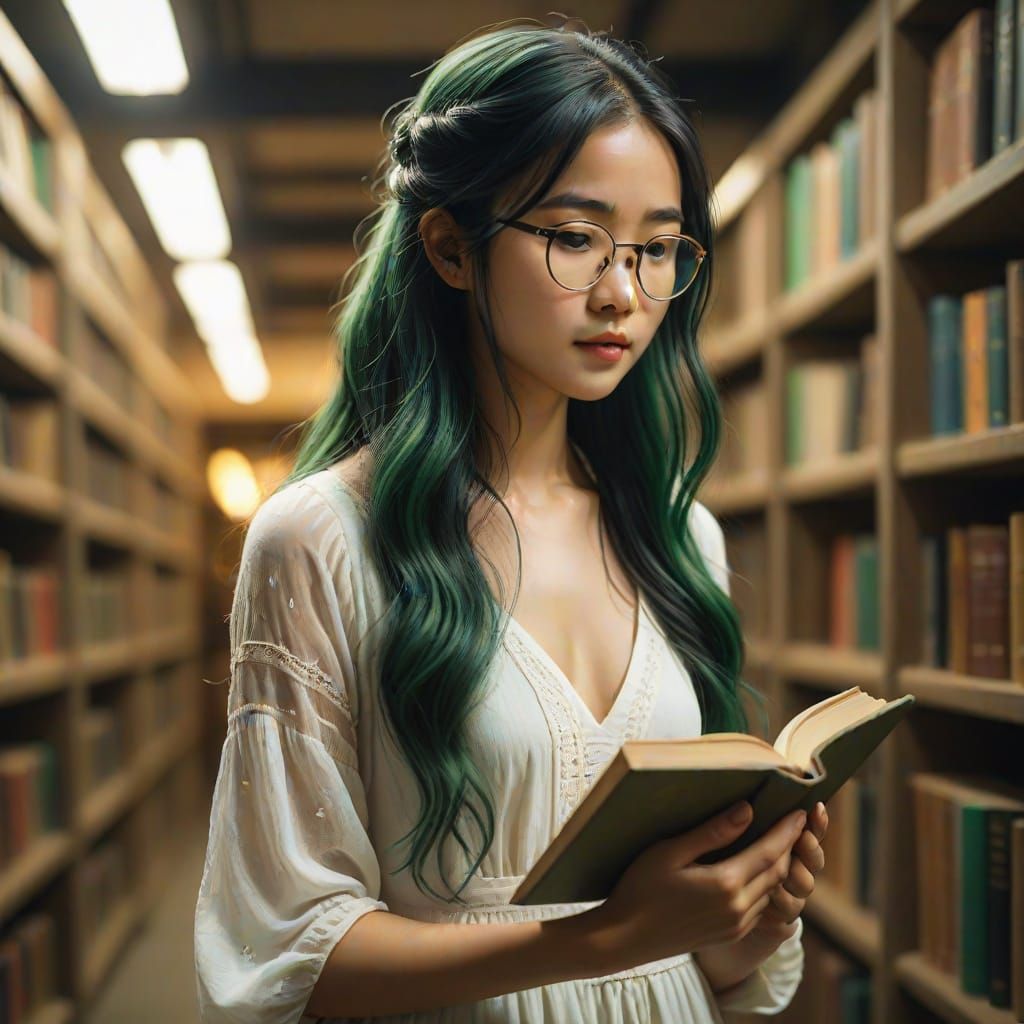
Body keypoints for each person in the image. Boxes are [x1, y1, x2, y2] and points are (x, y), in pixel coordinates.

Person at [194, 16, 830, 1023]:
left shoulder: (678, 534)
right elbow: (286, 958)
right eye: (575, 237)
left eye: (658, 249)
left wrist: (743, 915)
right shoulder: (321, 537)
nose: (623, 291)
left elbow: (700, 965)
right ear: (451, 246)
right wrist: (608, 935)